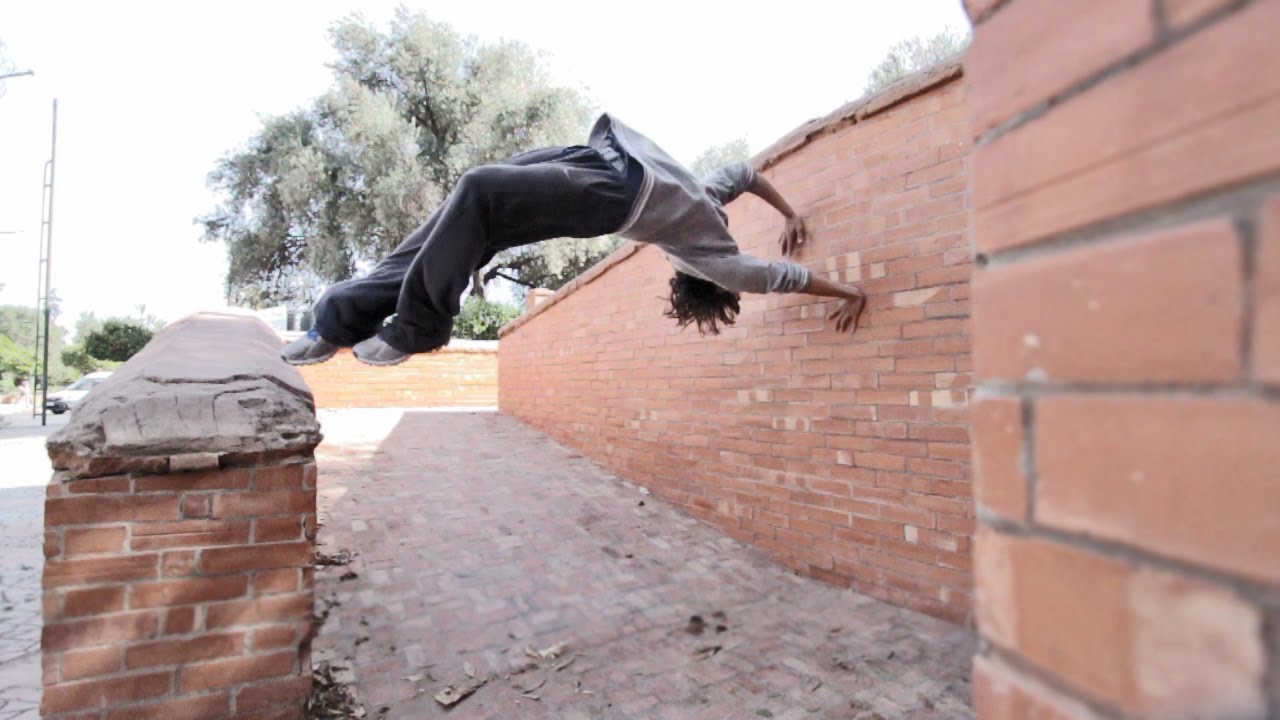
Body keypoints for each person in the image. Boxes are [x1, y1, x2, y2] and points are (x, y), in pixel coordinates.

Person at [282, 114, 866, 367]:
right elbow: (746, 170)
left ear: (701, 282)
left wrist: (850, 293)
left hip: (611, 195)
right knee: (465, 219)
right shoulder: (709, 197)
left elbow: (781, 277)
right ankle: (342, 314)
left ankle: (420, 326)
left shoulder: (713, 259)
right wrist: (790, 213)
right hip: (594, 155)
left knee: (480, 190)